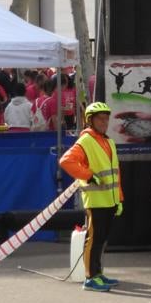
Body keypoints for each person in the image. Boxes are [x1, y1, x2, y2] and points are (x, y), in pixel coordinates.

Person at [58, 102, 123, 291]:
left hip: (110, 200)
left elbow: (115, 172)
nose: (104, 122)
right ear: (90, 120)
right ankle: (90, 277)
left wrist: (119, 199)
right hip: (95, 201)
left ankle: (98, 273)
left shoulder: (108, 141)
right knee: (93, 239)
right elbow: (66, 161)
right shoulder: (86, 140)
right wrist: (88, 175)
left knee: (101, 239)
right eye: (100, 119)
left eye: (106, 118)